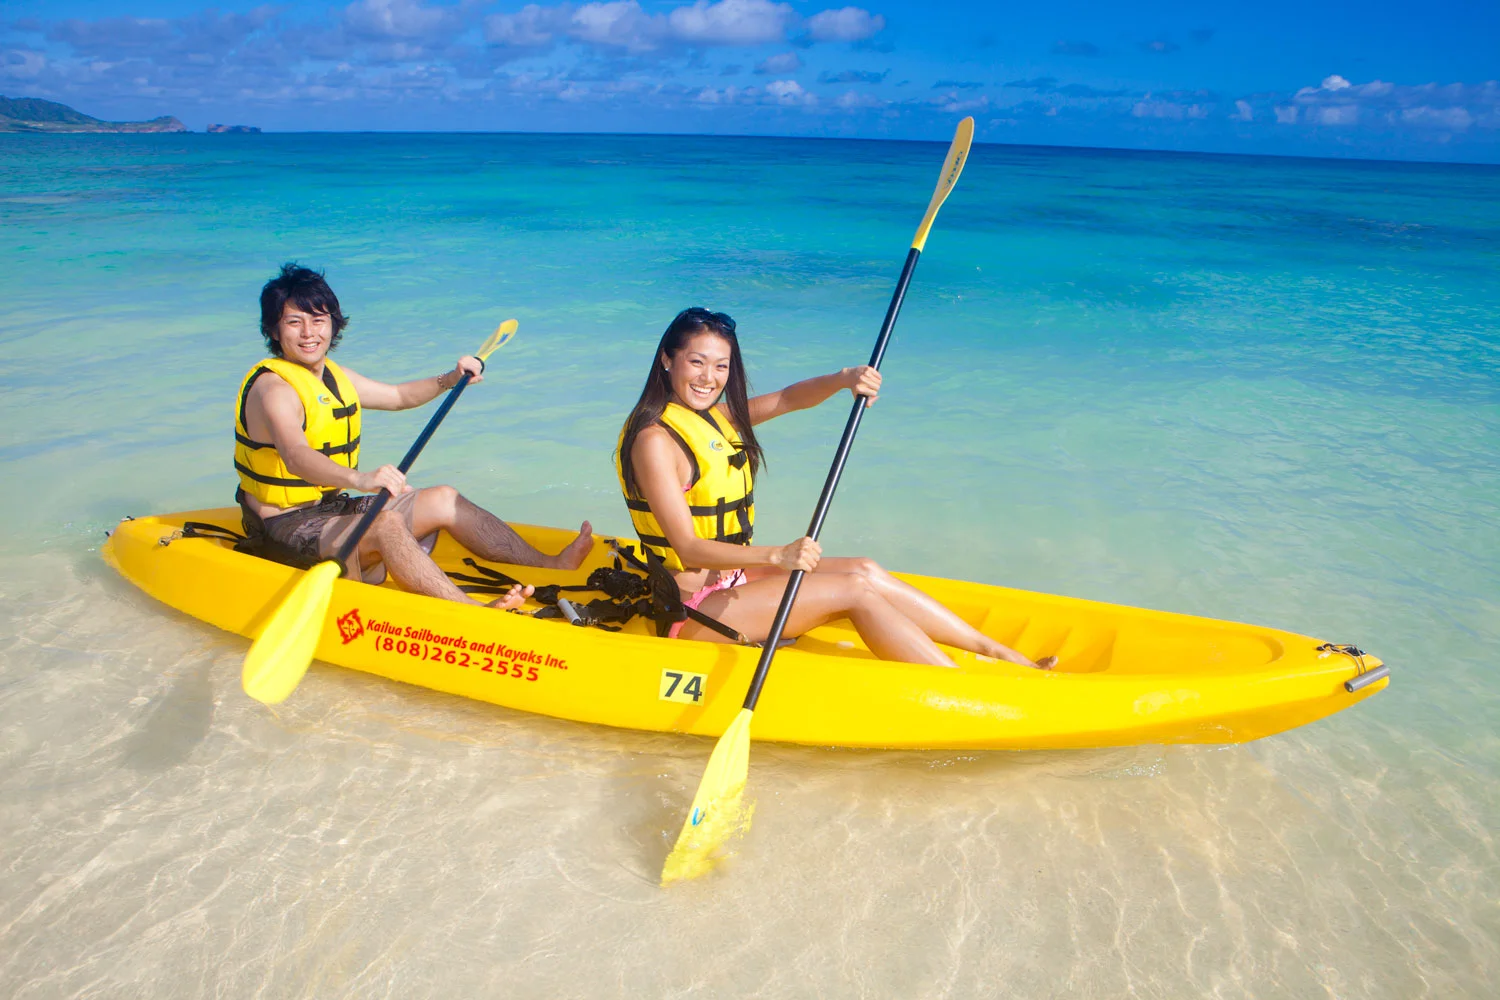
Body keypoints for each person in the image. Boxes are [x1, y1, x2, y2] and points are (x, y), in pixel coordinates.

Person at [615, 307, 1055, 669]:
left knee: (862, 569)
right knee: (853, 592)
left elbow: (788, 398)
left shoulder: (715, 418)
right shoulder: (655, 441)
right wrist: (776, 556)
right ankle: (963, 687)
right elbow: (688, 548)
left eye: (721, 366)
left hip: (732, 581)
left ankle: (996, 651)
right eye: (696, 361)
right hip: (692, 609)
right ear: (667, 360)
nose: (708, 377)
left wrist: (845, 378)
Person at [234, 263, 592, 608]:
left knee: (443, 498)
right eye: (294, 322)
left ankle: (552, 565)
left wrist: (451, 379)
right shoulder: (275, 389)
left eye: (319, 320)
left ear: (333, 324)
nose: (309, 333)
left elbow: (399, 397)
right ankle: (470, 611)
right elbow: (296, 455)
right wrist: (361, 479)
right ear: (275, 330)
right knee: (387, 522)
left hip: (331, 510)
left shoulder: (332, 375)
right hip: (284, 526)